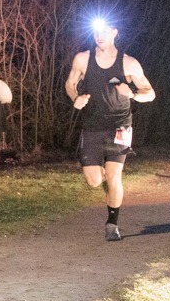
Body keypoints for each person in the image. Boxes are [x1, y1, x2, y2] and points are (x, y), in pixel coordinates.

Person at [65, 17, 156, 241]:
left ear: (114, 32)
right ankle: (107, 185)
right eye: (96, 31)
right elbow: (70, 83)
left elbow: (150, 93)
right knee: (94, 181)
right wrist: (75, 98)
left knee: (115, 176)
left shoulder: (129, 63)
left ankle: (112, 224)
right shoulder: (83, 59)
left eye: (104, 31)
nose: (100, 36)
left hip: (120, 126)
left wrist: (132, 94)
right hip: (92, 126)